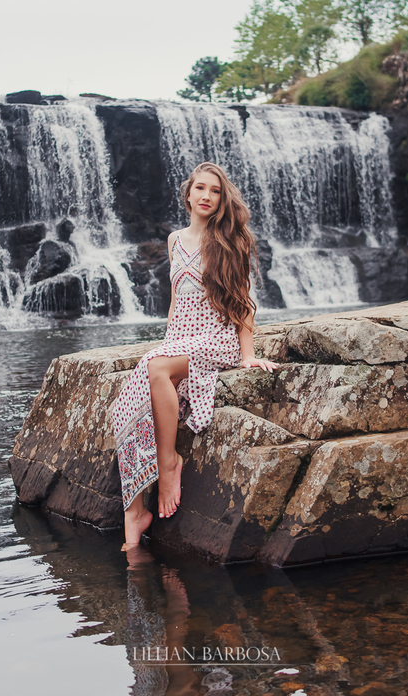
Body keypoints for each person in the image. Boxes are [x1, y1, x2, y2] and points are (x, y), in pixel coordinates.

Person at [111, 162, 279, 548]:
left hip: (216, 338)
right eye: (200, 188)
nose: (206, 196)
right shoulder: (174, 240)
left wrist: (247, 354)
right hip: (181, 338)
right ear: (187, 194)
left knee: (154, 369)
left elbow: (244, 304)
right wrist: (169, 341)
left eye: (215, 191)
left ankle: (168, 463)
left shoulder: (229, 241)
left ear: (222, 199)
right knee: (128, 401)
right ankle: (134, 511)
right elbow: (175, 301)